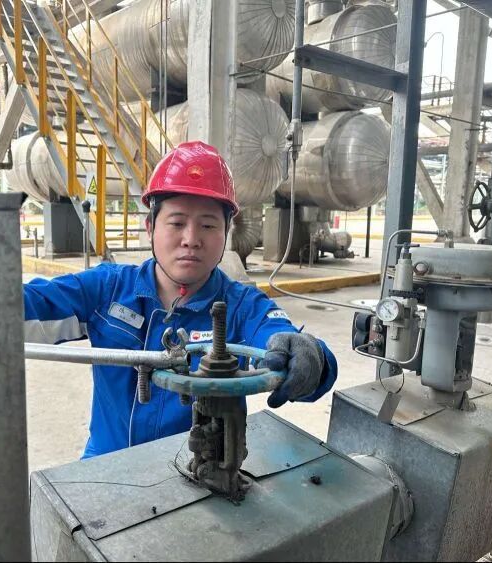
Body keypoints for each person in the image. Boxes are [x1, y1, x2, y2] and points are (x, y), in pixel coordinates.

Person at [23, 141, 338, 459]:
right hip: (105, 460)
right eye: (176, 223)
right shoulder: (106, 289)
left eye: (208, 225)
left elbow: (286, 343)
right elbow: (25, 309)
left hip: (200, 470)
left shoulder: (244, 307)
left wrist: (311, 356)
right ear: (150, 227)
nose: (191, 239)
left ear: (226, 232)